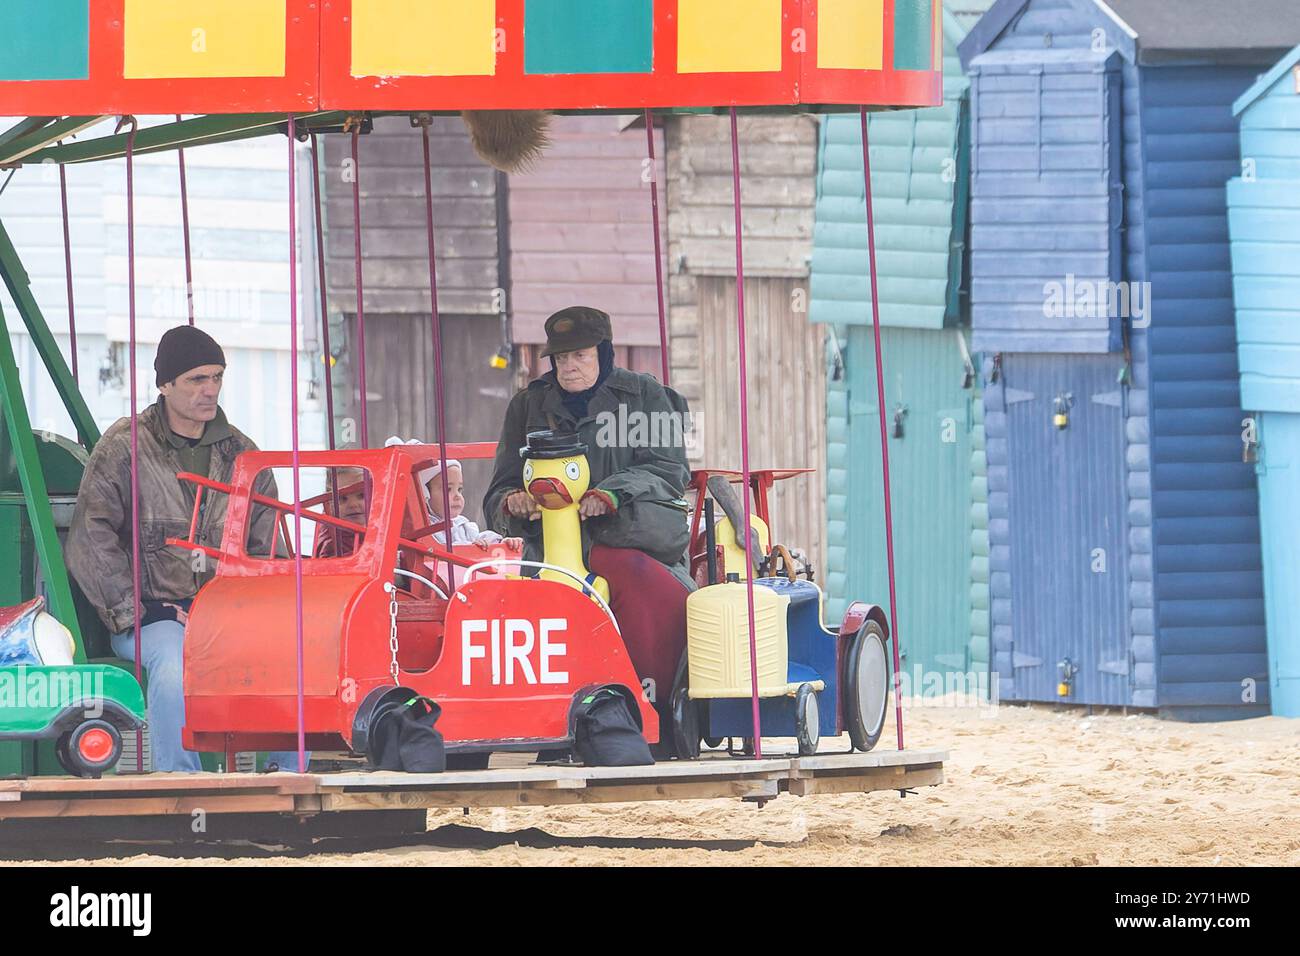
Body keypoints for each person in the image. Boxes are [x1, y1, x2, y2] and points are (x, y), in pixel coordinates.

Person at [66, 325, 306, 773]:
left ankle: (287, 781)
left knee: (290, 658)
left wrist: (243, 611)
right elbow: (90, 538)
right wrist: (137, 612)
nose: (210, 389)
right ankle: (180, 783)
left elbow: (268, 547)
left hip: (224, 616)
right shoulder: (124, 447)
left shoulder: (243, 454)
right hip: (150, 617)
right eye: (197, 379)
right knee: (175, 667)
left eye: (216, 377)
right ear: (166, 384)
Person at [483, 307, 695, 752]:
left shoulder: (647, 398)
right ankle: (548, 723)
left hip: (629, 540)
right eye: (560, 359)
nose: (568, 367)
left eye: (579, 355)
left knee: (643, 587)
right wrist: (512, 502)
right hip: (550, 553)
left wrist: (612, 494)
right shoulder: (528, 405)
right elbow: (498, 490)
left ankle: (651, 712)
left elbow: (669, 471)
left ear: (604, 352)